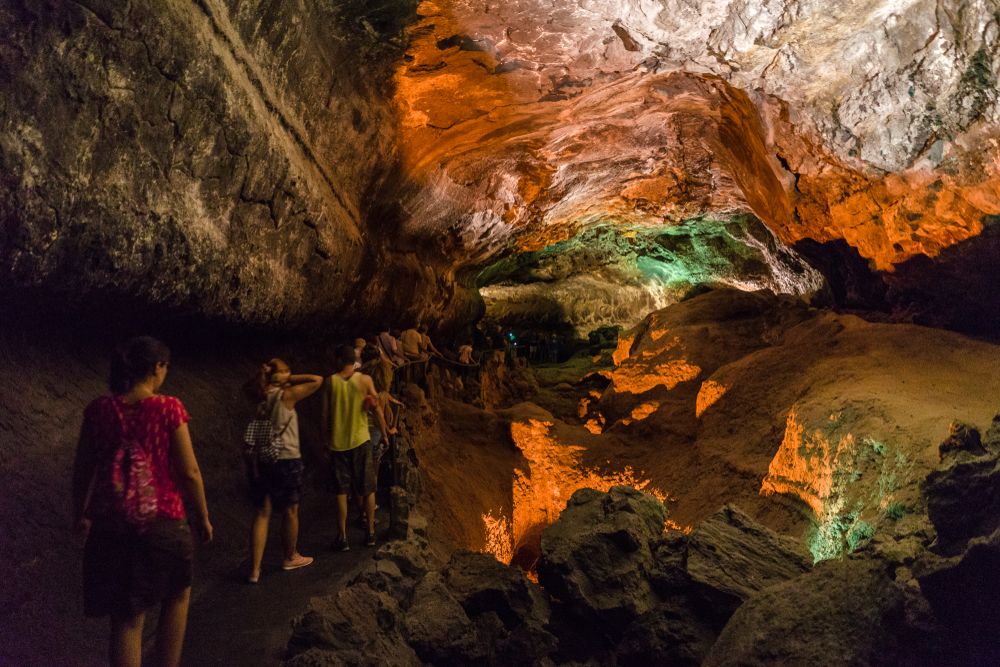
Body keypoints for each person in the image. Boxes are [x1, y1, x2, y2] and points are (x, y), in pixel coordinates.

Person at [72, 336, 212, 667]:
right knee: (177, 594)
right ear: (157, 367)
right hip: (163, 523)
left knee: (127, 616)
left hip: (111, 526)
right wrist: (202, 516)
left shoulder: (98, 411)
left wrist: (79, 513)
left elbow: (82, 470)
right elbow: (189, 471)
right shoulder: (168, 407)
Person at [243, 359, 323, 584]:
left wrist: (274, 377)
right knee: (290, 511)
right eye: (286, 370)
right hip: (287, 459)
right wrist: (290, 378)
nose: (289, 373)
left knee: (262, 513)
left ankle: (254, 570)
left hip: (264, 459)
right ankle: (290, 557)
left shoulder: (261, 398)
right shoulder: (285, 396)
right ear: (280, 376)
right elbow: (317, 380)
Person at [322, 345, 389, 550]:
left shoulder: (330, 382)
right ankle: (370, 534)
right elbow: (377, 411)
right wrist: (385, 434)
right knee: (368, 489)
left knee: (341, 492)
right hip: (361, 441)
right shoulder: (365, 380)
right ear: (353, 360)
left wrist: (325, 441)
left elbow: (325, 416)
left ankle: (342, 538)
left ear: (339, 359)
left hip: (338, 444)